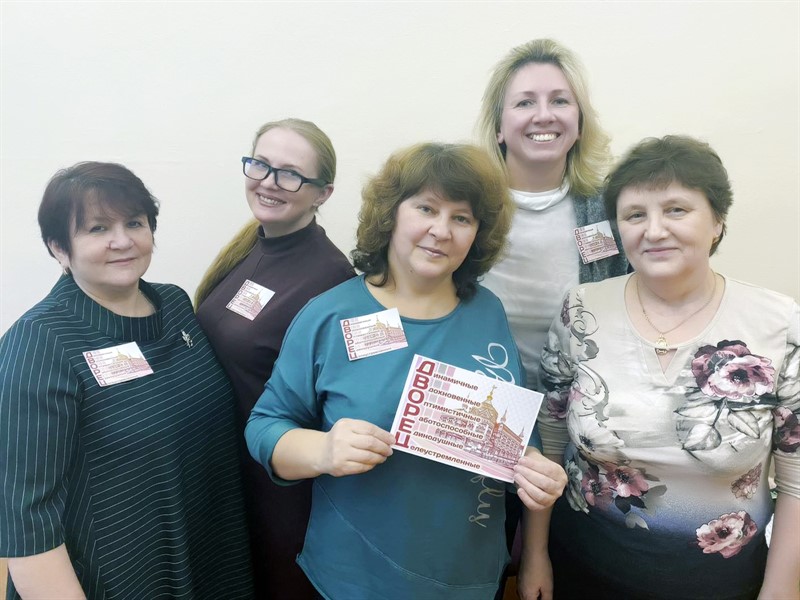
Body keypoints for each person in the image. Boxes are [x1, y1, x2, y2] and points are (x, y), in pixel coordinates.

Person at [245, 142, 568, 600]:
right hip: (356, 577)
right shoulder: (329, 315)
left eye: (462, 218)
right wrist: (323, 450)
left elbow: (520, 439)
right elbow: (264, 426)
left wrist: (536, 523)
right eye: (426, 208)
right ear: (391, 214)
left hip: (471, 573)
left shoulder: (487, 311)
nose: (442, 230)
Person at [537, 135, 800, 599]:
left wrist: (781, 588)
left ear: (717, 221)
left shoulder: (779, 324)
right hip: (583, 568)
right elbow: (550, 443)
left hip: (724, 583)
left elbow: (796, 479)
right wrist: (534, 553)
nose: (654, 231)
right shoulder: (580, 311)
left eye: (676, 210)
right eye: (635, 215)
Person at [0, 162, 253, 599]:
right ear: (59, 248)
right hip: (114, 578)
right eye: (98, 228)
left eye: (134, 223)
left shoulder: (175, 305)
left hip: (206, 551)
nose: (122, 241)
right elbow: (26, 520)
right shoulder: (39, 343)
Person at [476, 38, 629, 595]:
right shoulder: (466, 206)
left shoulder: (611, 208)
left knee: (566, 567)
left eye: (560, 100)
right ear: (499, 126)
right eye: (525, 102)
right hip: (482, 418)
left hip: (580, 426)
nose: (544, 115)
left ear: (579, 120)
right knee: (483, 562)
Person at [195, 117, 354, 599]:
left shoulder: (332, 279)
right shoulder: (251, 245)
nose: (269, 181)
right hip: (228, 477)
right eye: (260, 164)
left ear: (323, 193)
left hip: (278, 494)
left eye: (290, 174)